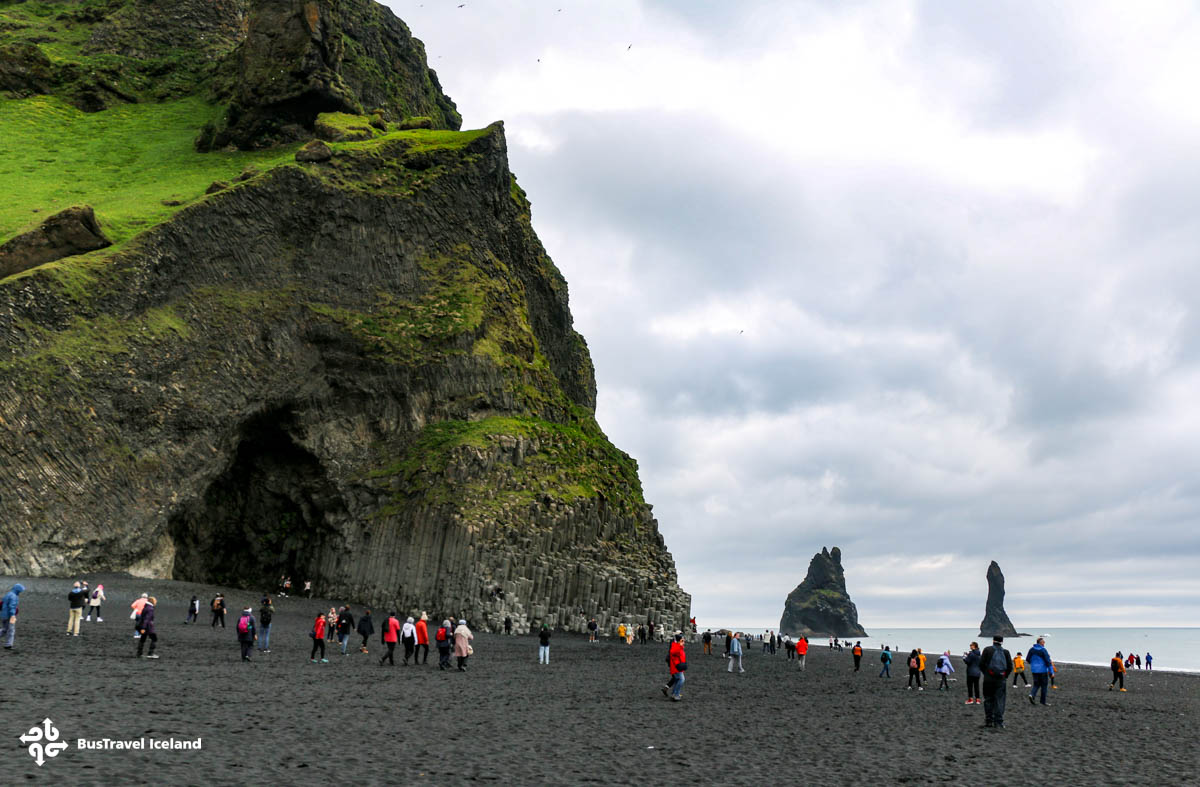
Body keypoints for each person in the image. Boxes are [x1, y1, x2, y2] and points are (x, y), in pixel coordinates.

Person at [980, 636, 1012, 728]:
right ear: (1002, 642)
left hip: (988, 679)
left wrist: (986, 674)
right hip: (1000, 680)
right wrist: (1004, 676)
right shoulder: (1006, 652)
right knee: (999, 700)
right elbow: (1009, 667)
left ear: (993, 641)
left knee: (988, 699)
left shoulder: (987, 650)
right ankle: (999, 722)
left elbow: (981, 664)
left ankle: (989, 721)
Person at [1026, 637, 1053, 706]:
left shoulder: (1031, 650)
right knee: (1044, 686)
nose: (1044, 643)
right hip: (1042, 670)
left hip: (1034, 670)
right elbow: (1048, 661)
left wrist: (1033, 664)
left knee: (1036, 684)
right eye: (1043, 642)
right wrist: (1051, 671)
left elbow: (1027, 659)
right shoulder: (1043, 650)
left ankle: (1032, 695)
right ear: (1041, 643)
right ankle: (1043, 701)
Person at [665, 631, 687, 701]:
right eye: (682, 640)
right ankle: (676, 694)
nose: (683, 642)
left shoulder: (678, 646)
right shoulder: (675, 646)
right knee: (681, 679)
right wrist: (680, 645)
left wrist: (680, 645)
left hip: (678, 666)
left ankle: (674, 693)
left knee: (677, 679)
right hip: (676, 667)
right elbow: (673, 652)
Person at [1, 583, 24, 649]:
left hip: (3, 615)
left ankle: (8, 644)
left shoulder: (8, 594)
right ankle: (8, 644)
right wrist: (13, 615)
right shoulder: (14, 596)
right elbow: (12, 607)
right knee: (11, 630)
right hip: (10, 616)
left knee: (5, 629)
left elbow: (2, 603)